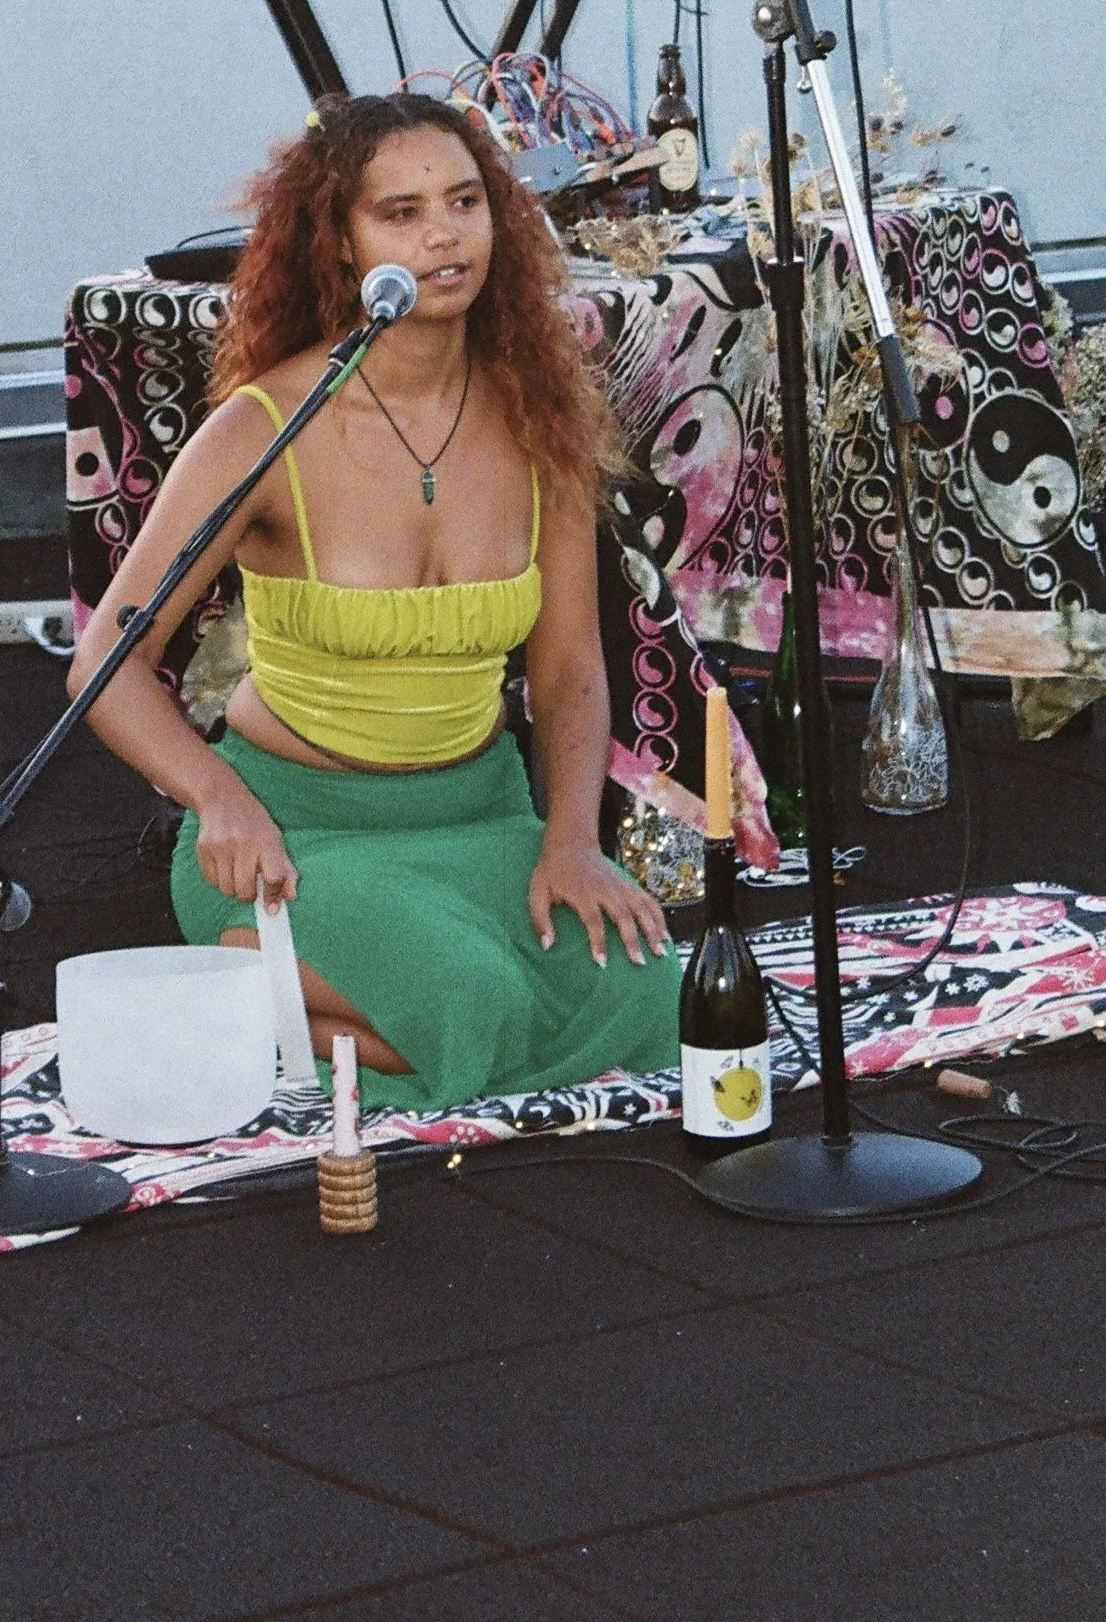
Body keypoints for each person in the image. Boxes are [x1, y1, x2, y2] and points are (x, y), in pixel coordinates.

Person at [70, 90, 680, 1112]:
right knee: (466, 998)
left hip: (484, 820)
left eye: (464, 201)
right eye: (397, 212)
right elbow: (105, 662)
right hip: (298, 842)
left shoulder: (540, 419)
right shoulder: (265, 423)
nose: (442, 233)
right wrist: (217, 796)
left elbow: (569, 670)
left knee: (650, 995)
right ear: (341, 244)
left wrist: (569, 840)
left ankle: (258, 1011)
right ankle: (254, 986)